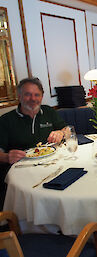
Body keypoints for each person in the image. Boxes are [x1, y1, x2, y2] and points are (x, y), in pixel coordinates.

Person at [0, 77, 66, 207]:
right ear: (19, 96)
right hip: (21, 172)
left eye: (37, 95)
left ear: (42, 96)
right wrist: (7, 157)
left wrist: (61, 133)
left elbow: (67, 129)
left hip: (51, 166)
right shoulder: (5, 120)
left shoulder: (48, 112)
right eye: (28, 94)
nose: (33, 99)